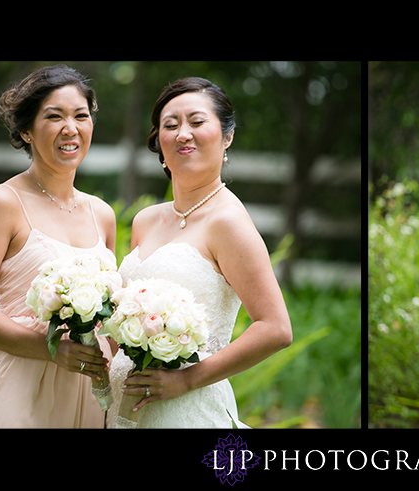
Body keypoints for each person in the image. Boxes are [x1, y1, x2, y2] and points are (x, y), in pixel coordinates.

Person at [106, 77, 292, 428]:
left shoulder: (229, 223)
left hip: (185, 410)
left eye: (197, 122)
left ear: (227, 136)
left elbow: (276, 328)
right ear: (159, 141)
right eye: (170, 125)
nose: (182, 134)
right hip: (124, 408)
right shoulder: (146, 220)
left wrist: (186, 380)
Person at [0, 65, 117, 428]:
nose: (70, 128)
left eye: (80, 116)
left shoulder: (102, 214)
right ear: (26, 131)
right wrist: (52, 350)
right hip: (18, 385)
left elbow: (110, 314)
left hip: (88, 394)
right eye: (53, 116)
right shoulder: (2, 203)